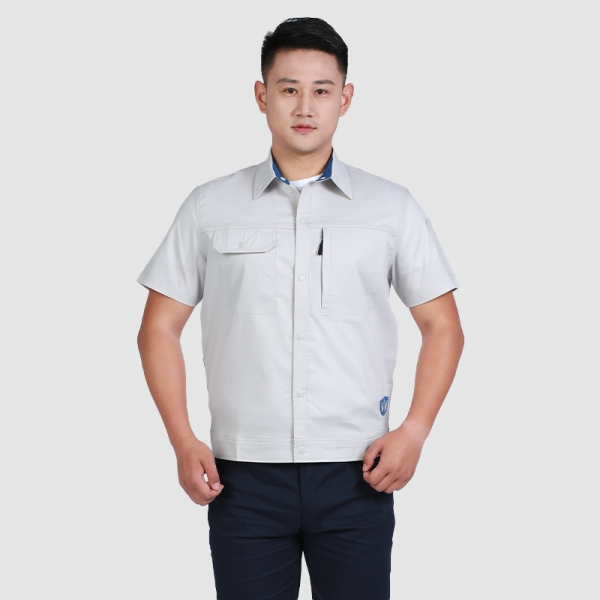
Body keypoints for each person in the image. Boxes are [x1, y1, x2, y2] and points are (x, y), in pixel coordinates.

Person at [136, 16, 464, 600]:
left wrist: (414, 431)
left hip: (358, 473)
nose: (305, 106)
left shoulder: (390, 207)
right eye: (288, 89)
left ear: (346, 98)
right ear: (262, 95)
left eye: (321, 90)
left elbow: (443, 326)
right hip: (242, 478)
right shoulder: (210, 205)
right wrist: (183, 440)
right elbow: (159, 327)